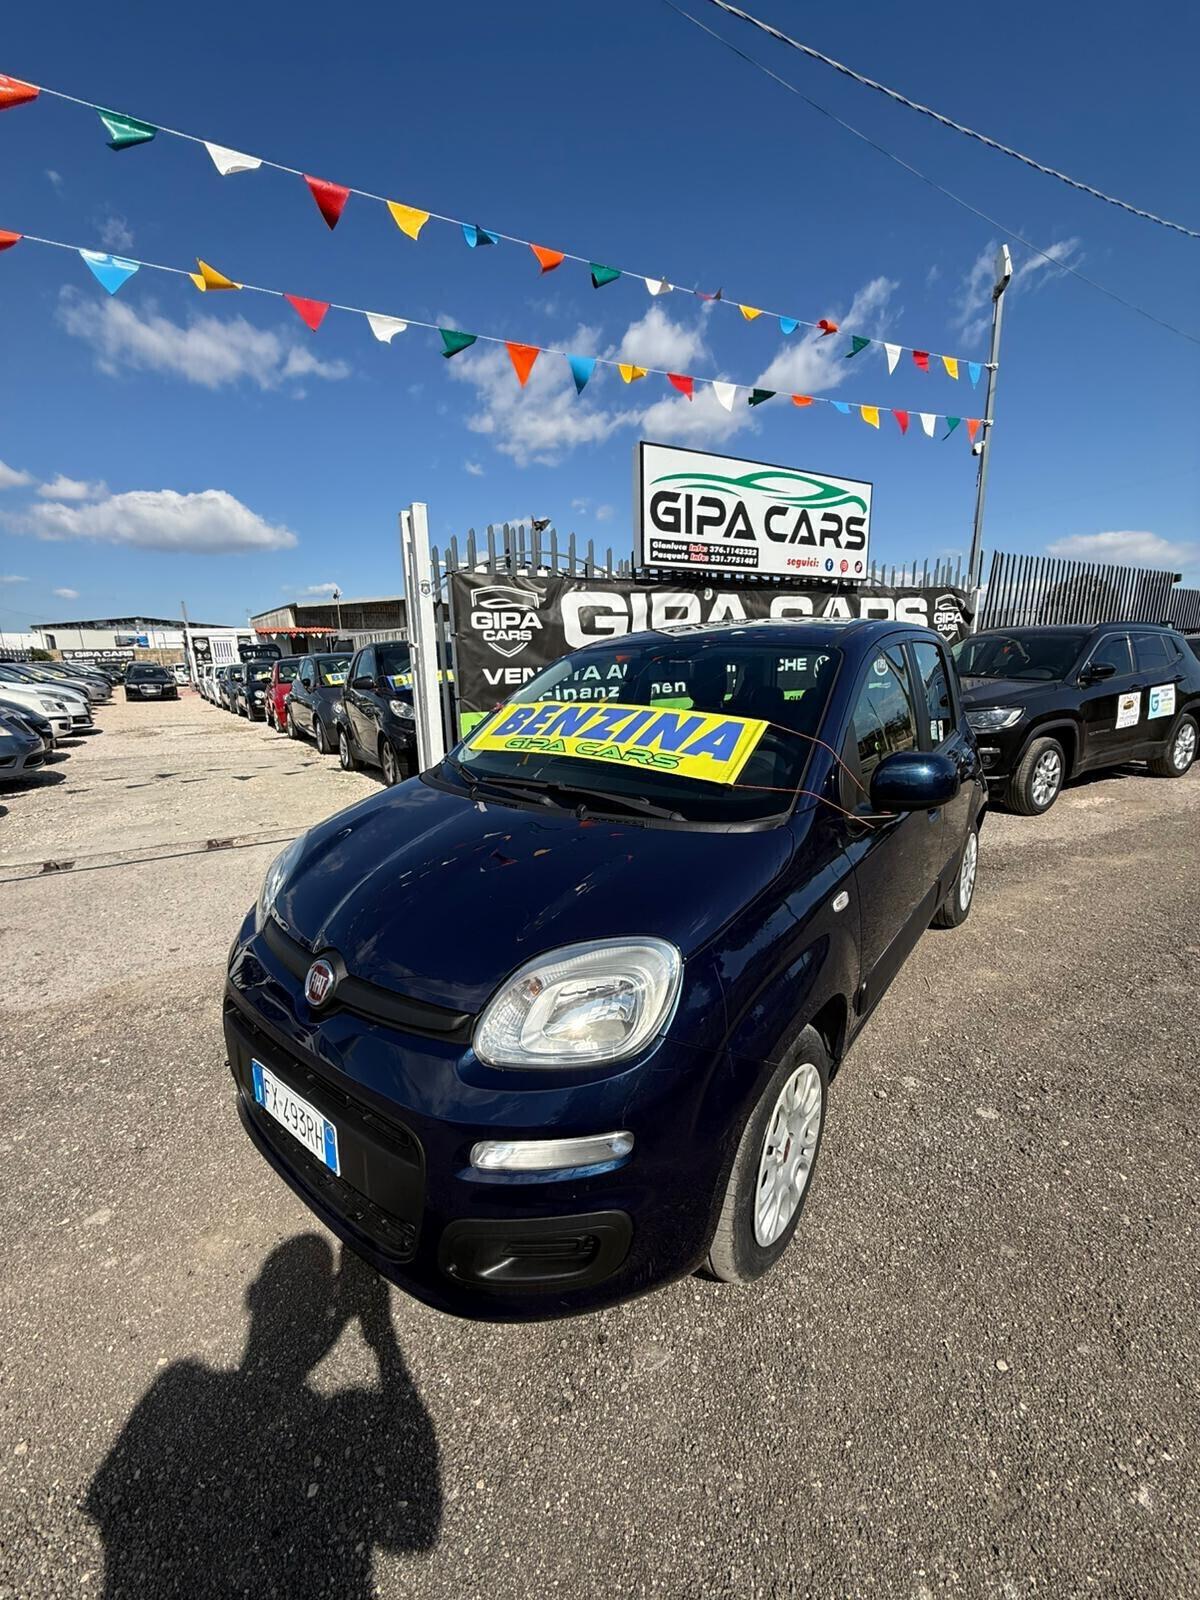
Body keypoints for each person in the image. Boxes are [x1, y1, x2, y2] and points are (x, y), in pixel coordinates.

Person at [86, 1234, 441, 1599]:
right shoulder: (183, 1384)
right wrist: (382, 1338)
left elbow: (111, 1506)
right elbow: (418, 1529)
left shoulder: (181, 1384)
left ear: (253, 1299)